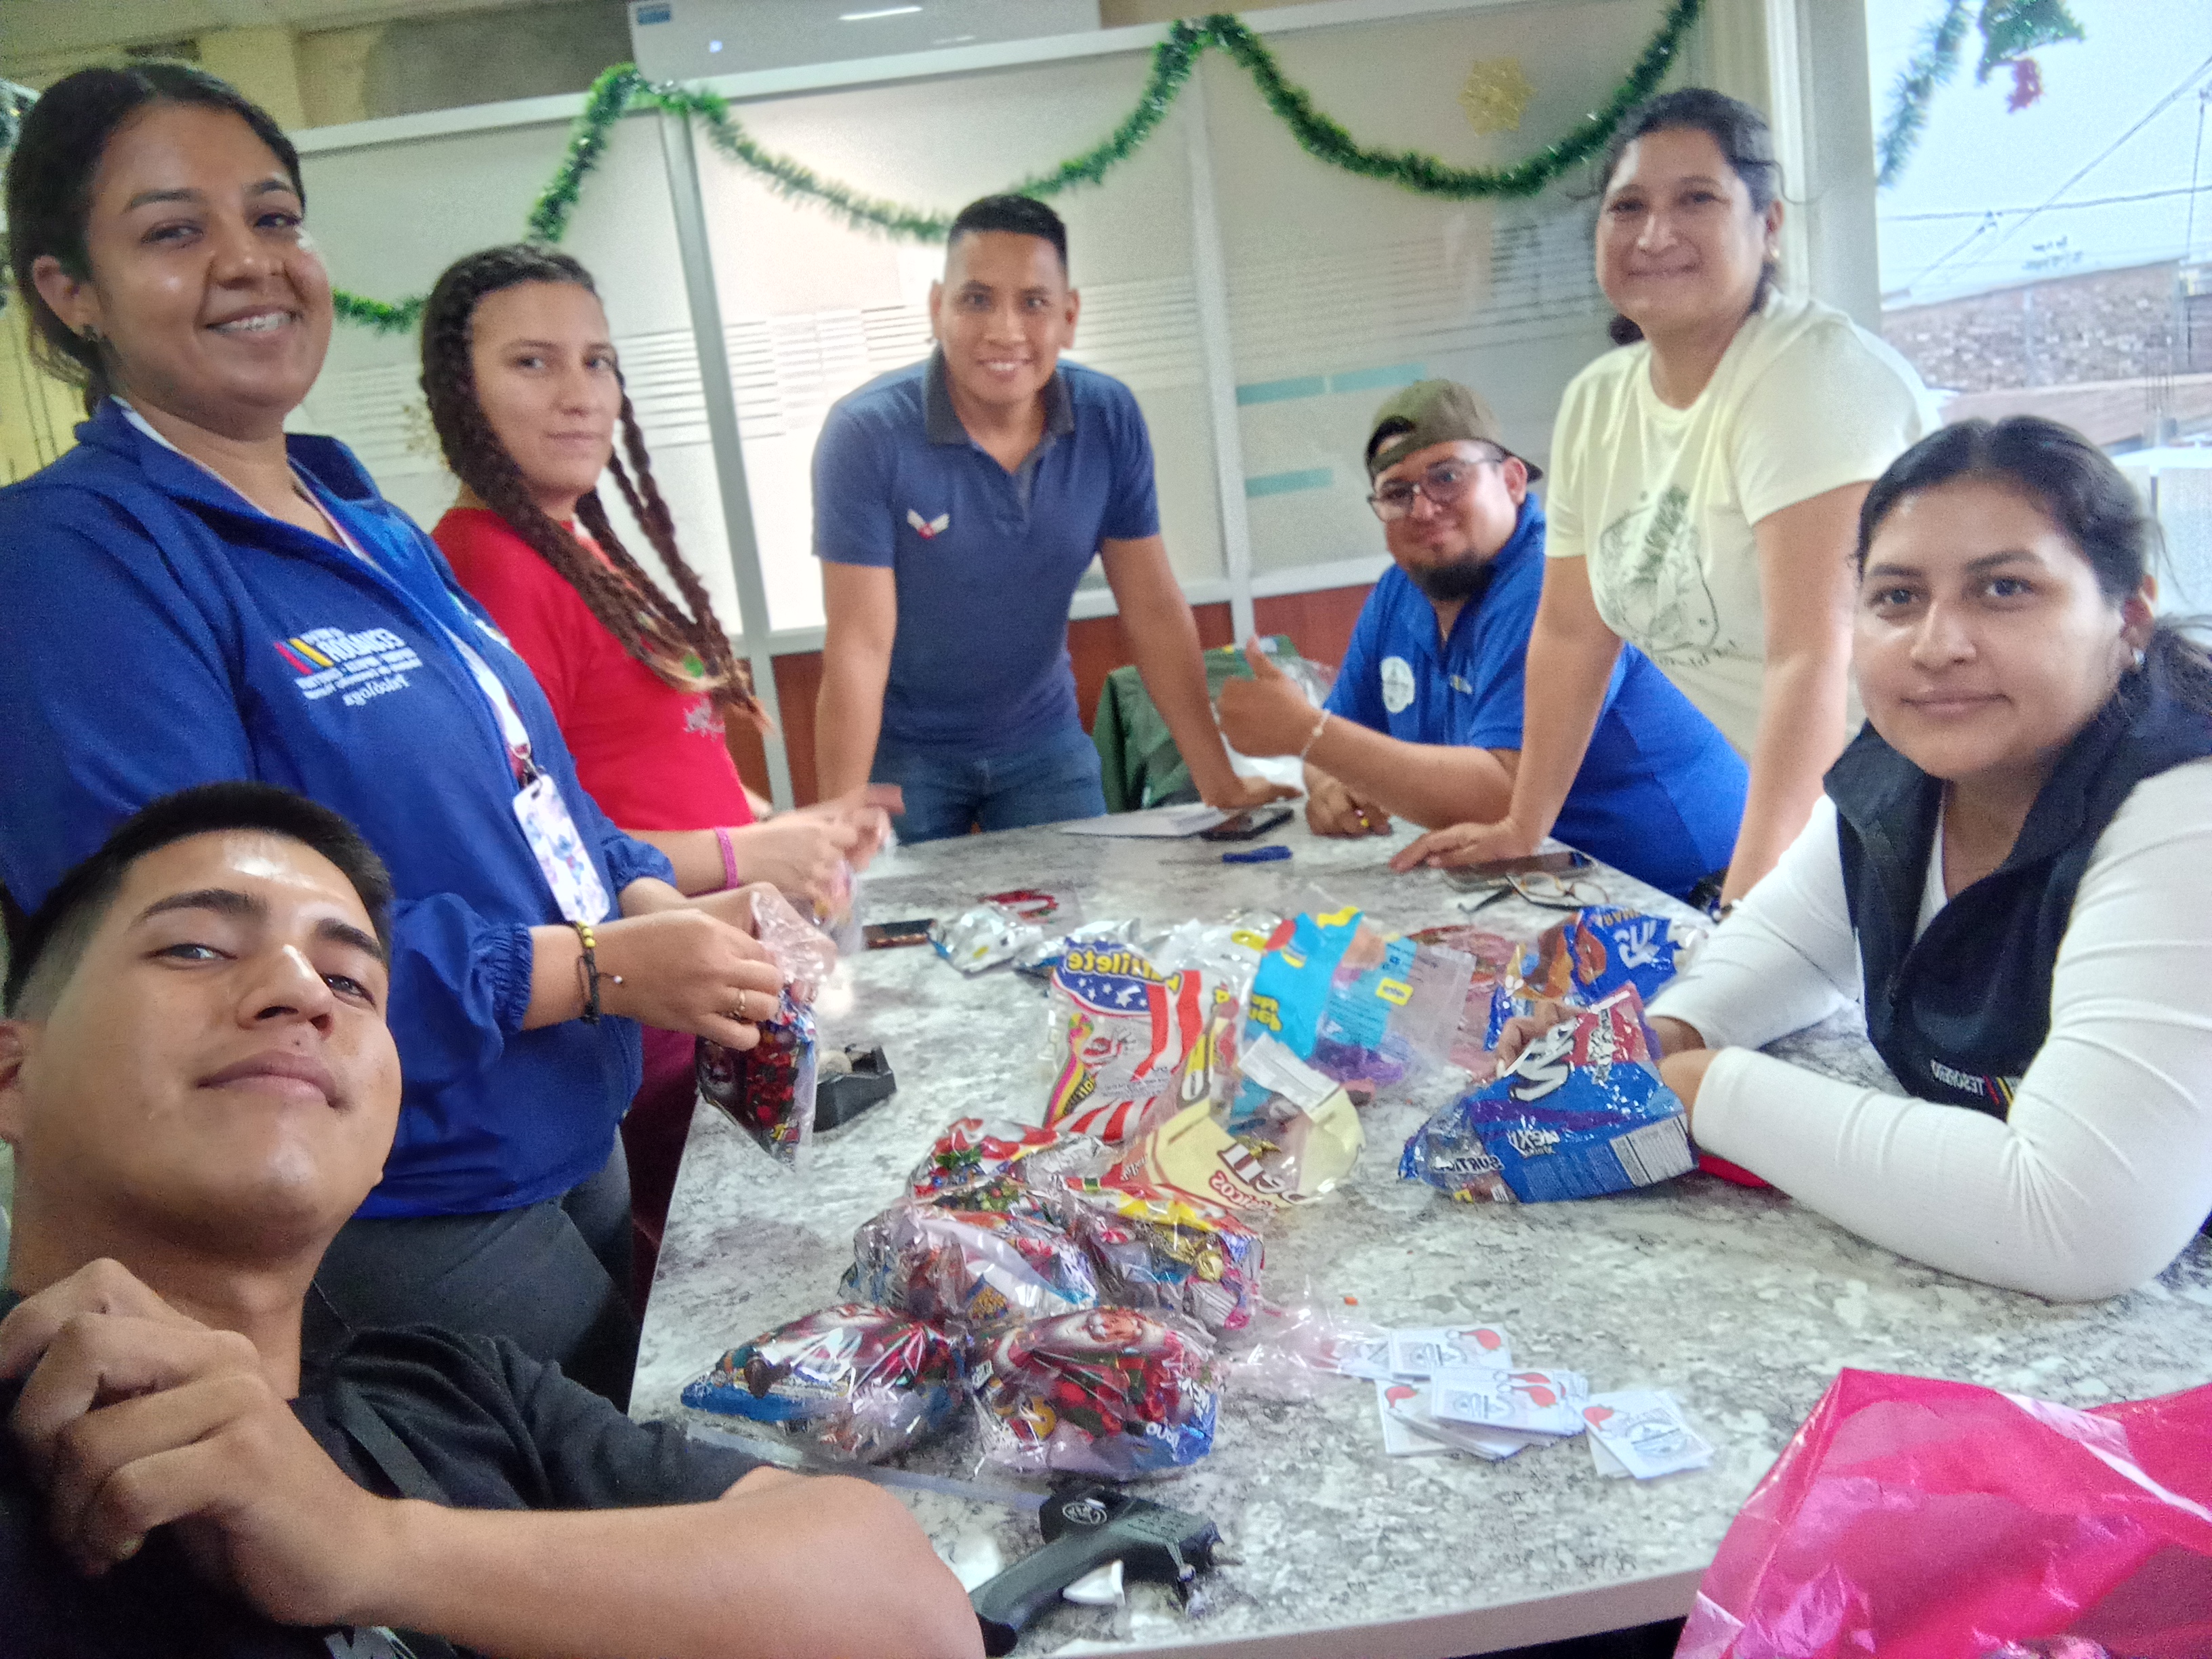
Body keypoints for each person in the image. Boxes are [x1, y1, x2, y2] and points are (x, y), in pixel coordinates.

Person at [0, 64, 790, 1406]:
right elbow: (201, 962)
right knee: (593, 1504)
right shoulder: (75, 561)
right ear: (70, 291)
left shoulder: (361, 520)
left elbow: (536, 797)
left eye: (274, 217)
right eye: (175, 229)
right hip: (405, 1189)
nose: (249, 262)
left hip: (564, 1118)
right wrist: (599, 966)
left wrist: (657, 908)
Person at [0, 783, 981, 1658]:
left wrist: (371, 1547)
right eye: (196, 949)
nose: (302, 992)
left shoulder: (454, 1389)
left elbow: (913, 1617)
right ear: (13, 1073)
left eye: (351, 983)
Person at [1502, 417, 2212, 1300]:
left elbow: (2081, 1223)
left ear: (2129, 615)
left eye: (2005, 589)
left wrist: (1700, 1087)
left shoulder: (2187, 811)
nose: (1937, 645)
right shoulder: (1911, 763)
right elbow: (1794, 943)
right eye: (1898, 598)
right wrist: (1656, 1038)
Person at [420, 243, 893, 1294]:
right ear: (454, 395)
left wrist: (782, 828)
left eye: (598, 362)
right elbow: (539, 847)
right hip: (658, 1007)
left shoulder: (576, 544)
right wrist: (745, 851)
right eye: (533, 363)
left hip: (717, 985)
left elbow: (645, 761)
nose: (580, 394)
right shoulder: (488, 566)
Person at [1397, 89, 1932, 905]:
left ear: (1769, 225)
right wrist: (1524, 824)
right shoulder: (1599, 402)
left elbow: (1810, 656)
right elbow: (1573, 635)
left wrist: (1752, 899)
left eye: (1697, 199)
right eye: (1628, 207)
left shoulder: (1808, 378)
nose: (1654, 235)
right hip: (1839, 818)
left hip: (1944, 799)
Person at [811, 193, 1291, 840]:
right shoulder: (866, 434)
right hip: (904, 753)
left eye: (1034, 303)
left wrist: (1219, 781)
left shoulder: (1108, 417)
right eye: (976, 299)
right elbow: (858, 645)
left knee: (1080, 909)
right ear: (937, 308)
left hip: (1042, 741)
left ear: (1069, 317)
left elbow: (1152, 606)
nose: (1005, 331)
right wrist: (836, 824)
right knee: (885, 904)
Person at [1215, 379, 1745, 899]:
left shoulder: (1548, 580)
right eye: (1397, 494)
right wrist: (1329, 784)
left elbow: (1503, 796)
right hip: (1538, 884)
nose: (1423, 509)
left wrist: (1307, 734)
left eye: (1447, 477)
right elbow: (1343, 735)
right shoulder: (1399, 593)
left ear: (1513, 481)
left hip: (1682, 898)